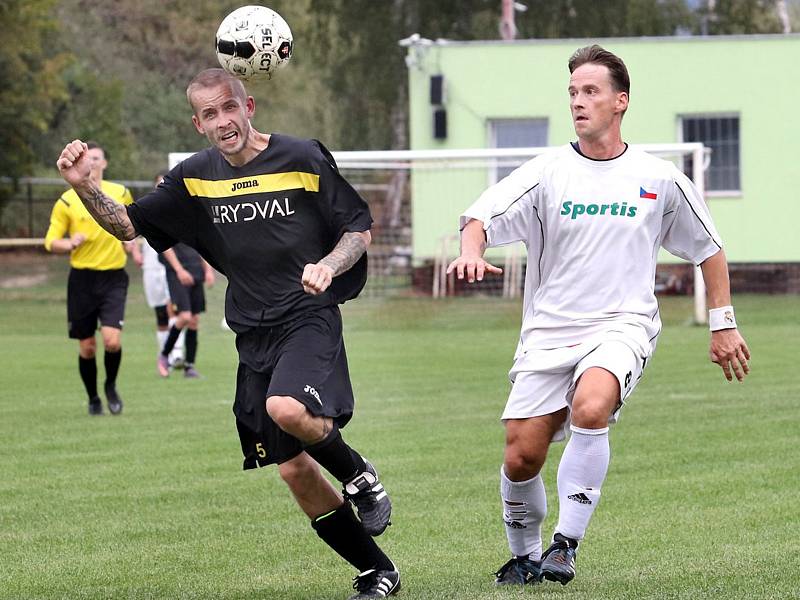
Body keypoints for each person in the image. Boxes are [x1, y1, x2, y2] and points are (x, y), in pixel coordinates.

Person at [56, 69, 399, 599]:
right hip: (252, 330)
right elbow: (128, 225)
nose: (223, 122)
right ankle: (378, 571)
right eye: (210, 114)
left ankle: (361, 478)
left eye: (229, 108)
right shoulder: (194, 177)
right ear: (198, 123)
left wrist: (329, 265)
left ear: (249, 105)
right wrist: (85, 186)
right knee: (294, 473)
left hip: (308, 314)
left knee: (287, 408)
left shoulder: (303, 157)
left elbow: (357, 227)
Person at [447, 45, 751, 587]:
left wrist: (722, 322)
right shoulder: (546, 172)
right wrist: (473, 250)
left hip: (622, 325)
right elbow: (480, 215)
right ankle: (524, 557)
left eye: (590, 91)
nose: (578, 102)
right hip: (548, 331)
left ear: (620, 101)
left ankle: (565, 544)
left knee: (592, 406)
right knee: (521, 456)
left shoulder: (659, 179)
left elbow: (709, 248)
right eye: (572, 93)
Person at [45, 141, 140, 416]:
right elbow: (51, 242)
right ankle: (93, 397)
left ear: (105, 163)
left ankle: (110, 386)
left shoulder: (120, 192)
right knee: (87, 347)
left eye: (97, 158)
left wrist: (130, 245)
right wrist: (69, 243)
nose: (93, 163)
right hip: (82, 280)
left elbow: (130, 228)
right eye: (89, 158)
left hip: (113, 277)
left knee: (112, 341)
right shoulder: (66, 200)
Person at [139, 171, 185, 370]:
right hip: (151, 267)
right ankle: (163, 355)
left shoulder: (179, 209)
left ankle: (176, 353)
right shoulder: (146, 207)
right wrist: (133, 250)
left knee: (174, 308)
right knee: (160, 313)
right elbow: (131, 231)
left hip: (172, 267)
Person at [156, 241, 215, 378]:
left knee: (194, 321)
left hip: (196, 270)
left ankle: (189, 367)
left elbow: (201, 245)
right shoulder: (168, 222)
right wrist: (179, 270)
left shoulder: (194, 221)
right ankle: (164, 356)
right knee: (185, 316)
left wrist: (208, 270)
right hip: (177, 274)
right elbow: (165, 246)